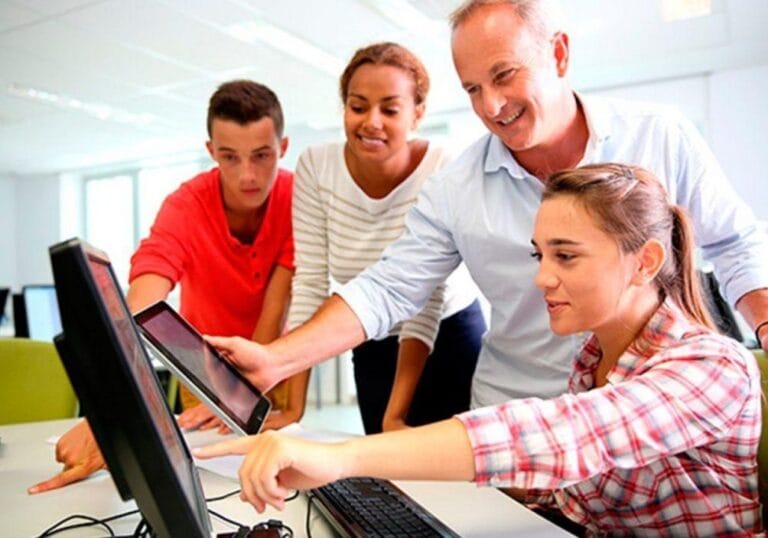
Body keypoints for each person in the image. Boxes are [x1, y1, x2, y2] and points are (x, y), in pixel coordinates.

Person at [198, 0, 768, 410]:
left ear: (559, 54)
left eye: (504, 75)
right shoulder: (458, 186)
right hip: (522, 418)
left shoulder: (659, 135)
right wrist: (278, 358)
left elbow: (735, 243)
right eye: (472, 88)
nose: (491, 106)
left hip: (651, 408)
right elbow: (388, 288)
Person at [197, 163, 762, 536]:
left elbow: (563, 436)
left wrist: (345, 458)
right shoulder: (597, 357)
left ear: (645, 262)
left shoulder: (711, 367)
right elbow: (572, 487)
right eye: (540, 255)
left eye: (565, 256)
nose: (541, 278)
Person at [28, 79, 306, 494]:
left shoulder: (297, 197)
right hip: (203, 370)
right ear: (211, 151)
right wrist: (111, 408)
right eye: (230, 157)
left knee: (278, 479)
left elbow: (277, 305)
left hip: (273, 364)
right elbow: (142, 304)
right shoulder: (186, 205)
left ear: (282, 148)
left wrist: (245, 391)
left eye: (261, 156)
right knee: (214, 482)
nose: (247, 175)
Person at [289, 42, 484, 434]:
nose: (371, 122)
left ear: (417, 113)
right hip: (369, 335)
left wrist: (396, 414)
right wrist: (293, 407)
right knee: (381, 460)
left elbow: (426, 298)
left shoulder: (441, 169)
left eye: (390, 110)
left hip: (446, 336)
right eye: (358, 107)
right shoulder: (315, 166)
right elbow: (309, 284)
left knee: (447, 464)